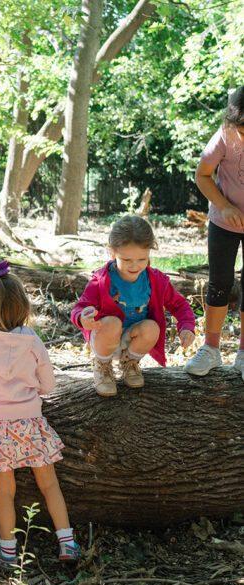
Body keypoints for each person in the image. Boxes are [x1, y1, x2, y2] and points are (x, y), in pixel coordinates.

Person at [0, 261, 79, 566]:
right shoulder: (32, 340)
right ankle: (68, 543)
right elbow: (48, 384)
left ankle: (8, 552)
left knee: (5, 492)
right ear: (22, 306)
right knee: (49, 484)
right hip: (30, 423)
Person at [72, 216, 196, 396]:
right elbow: (79, 307)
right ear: (112, 252)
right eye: (127, 259)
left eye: (141, 259)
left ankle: (130, 363)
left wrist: (186, 327)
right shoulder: (101, 281)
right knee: (112, 323)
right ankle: (103, 366)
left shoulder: (155, 281)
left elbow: (179, 304)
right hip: (104, 337)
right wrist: (83, 318)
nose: (135, 266)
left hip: (133, 338)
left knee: (152, 328)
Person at [186, 86, 244, 378]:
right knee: (219, 281)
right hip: (224, 222)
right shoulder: (224, 136)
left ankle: (243, 353)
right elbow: (202, 175)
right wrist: (225, 206)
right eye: (242, 131)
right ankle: (211, 349)